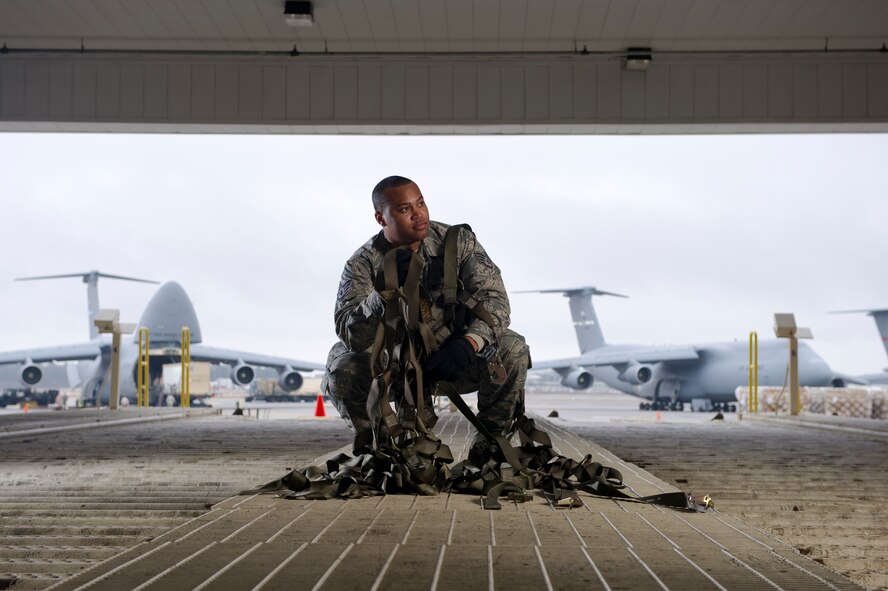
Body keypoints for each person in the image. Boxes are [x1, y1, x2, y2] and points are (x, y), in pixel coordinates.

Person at [321, 175, 529, 461]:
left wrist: (469, 344)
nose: (418, 213)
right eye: (404, 209)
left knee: (512, 348)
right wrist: (383, 294)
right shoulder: (363, 263)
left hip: (454, 358)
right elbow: (350, 334)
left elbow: (495, 301)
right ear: (381, 218)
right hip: (395, 368)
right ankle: (384, 449)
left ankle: (490, 448)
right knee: (342, 364)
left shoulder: (456, 243)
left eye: (420, 203)